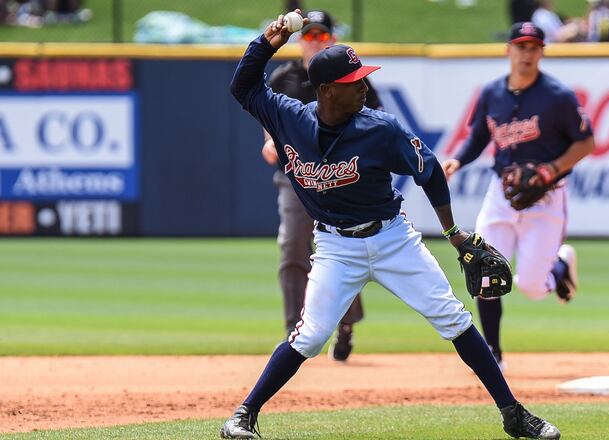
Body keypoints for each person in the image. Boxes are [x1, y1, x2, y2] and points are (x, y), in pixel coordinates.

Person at [222, 9, 561, 440]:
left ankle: (514, 414)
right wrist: (268, 41)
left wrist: (454, 233)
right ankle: (244, 414)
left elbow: (431, 172)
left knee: (453, 319)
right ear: (326, 91)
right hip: (334, 248)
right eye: (353, 82)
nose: (364, 86)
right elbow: (242, 86)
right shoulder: (289, 117)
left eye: (363, 77)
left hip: (391, 239)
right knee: (308, 338)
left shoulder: (380, 128)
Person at [441, 22, 595, 369]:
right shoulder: (492, 93)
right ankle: (493, 352)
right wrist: (458, 160)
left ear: (542, 52)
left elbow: (586, 142)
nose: (527, 53)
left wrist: (549, 170)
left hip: (547, 196)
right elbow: (479, 137)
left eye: (534, 47)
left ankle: (559, 267)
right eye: (521, 46)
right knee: (486, 267)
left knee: (530, 286)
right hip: (501, 192)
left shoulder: (557, 96)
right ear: (508, 49)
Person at [260, 9, 382, 362]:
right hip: (295, 178)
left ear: (331, 38)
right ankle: (292, 333)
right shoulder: (284, 77)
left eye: (321, 36)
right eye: (309, 36)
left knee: (344, 251)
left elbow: (375, 119)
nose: (314, 42)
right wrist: (270, 140)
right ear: (300, 41)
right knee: (292, 245)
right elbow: (268, 116)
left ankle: (346, 323)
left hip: (340, 178)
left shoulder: (351, 77)